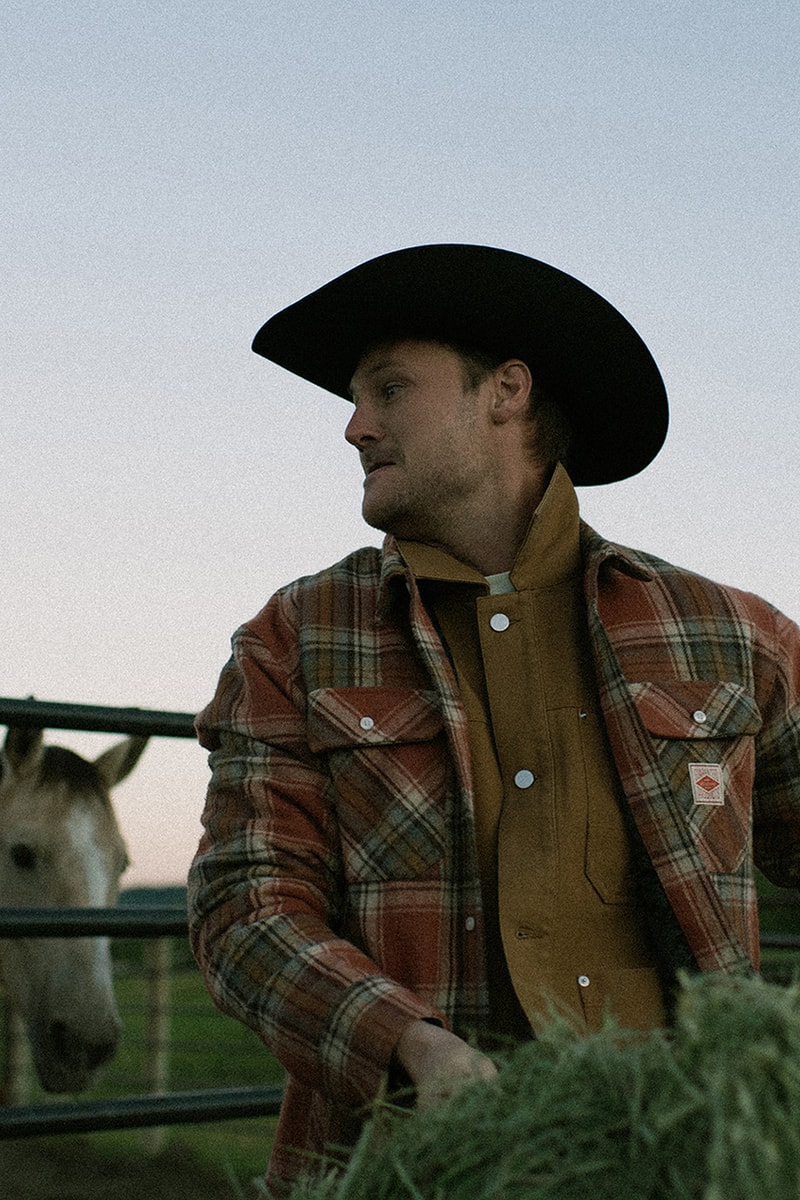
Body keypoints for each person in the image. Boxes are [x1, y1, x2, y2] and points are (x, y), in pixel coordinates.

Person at [187, 244, 800, 1196]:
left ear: (506, 392)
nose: (354, 426)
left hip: (686, 1170)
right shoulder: (296, 639)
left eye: (389, 390)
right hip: (403, 1171)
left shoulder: (728, 636)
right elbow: (246, 908)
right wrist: (413, 1049)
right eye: (355, 399)